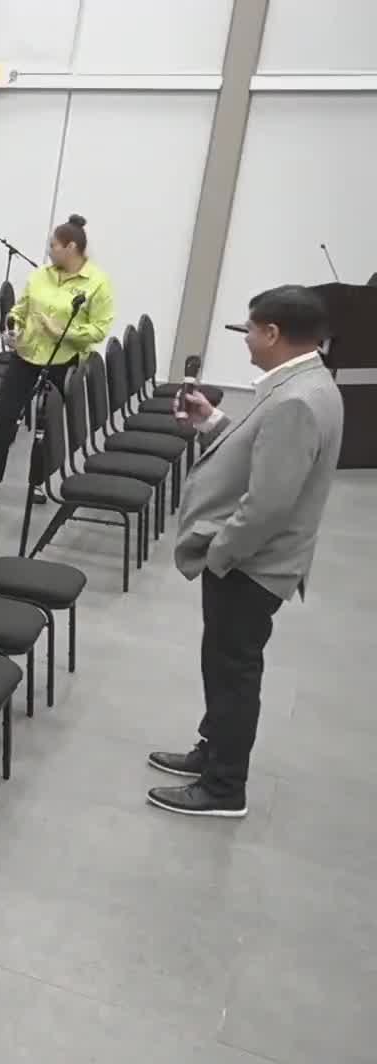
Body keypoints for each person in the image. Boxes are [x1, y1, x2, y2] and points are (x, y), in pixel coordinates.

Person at [147, 286, 344, 818]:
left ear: (273, 333)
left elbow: (268, 505)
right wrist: (212, 421)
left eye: (250, 330)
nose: (246, 340)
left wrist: (220, 553)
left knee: (233, 673)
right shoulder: (305, 383)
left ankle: (223, 786)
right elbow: (263, 451)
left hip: (252, 567)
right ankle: (212, 751)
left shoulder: (297, 400)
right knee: (222, 665)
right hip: (257, 561)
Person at [0, 214, 116, 501]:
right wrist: (12, 328)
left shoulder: (97, 283)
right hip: (26, 356)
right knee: (5, 416)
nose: (49, 250)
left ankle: (37, 483)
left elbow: (99, 329)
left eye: (54, 245)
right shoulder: (40, 275)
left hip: (62, 361)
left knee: (47, 423)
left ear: (71, 247)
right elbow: (20, 309)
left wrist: (63, 332)